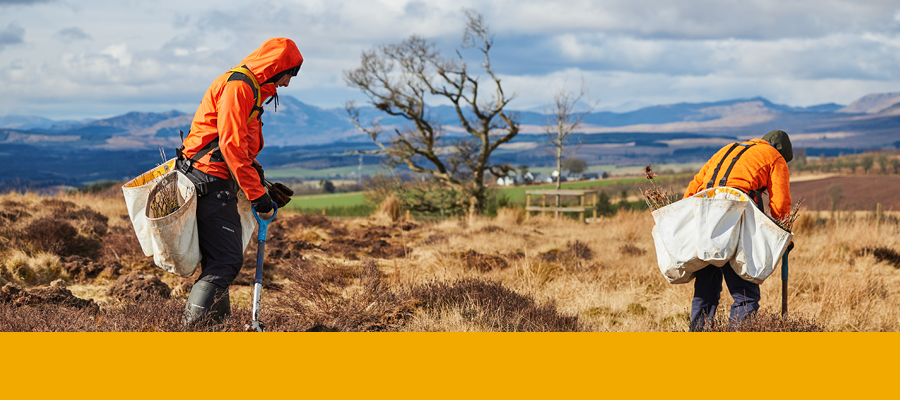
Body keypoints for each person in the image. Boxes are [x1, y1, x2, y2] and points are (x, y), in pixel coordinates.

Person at [175, 38, 303, 324]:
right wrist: (258, 198)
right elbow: (231, 146)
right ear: (276, 67)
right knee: (226, 261)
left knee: (218, 260)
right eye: (288, 75)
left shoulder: (252, 88)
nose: (286, 84)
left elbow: (238, 146)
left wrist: (256, 174)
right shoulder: (239, 88)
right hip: (209, 178)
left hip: (212, 175)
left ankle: (215, 328)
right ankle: (193, 331)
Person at [682, 129, 793, 331]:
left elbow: (694, 186)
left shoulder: (729, 149)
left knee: (706, 290)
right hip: (735, 216)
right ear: (781, 152)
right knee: (746, 296)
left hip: (705, 218)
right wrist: (783, 235)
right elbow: (781, 202)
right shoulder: (776, 158)